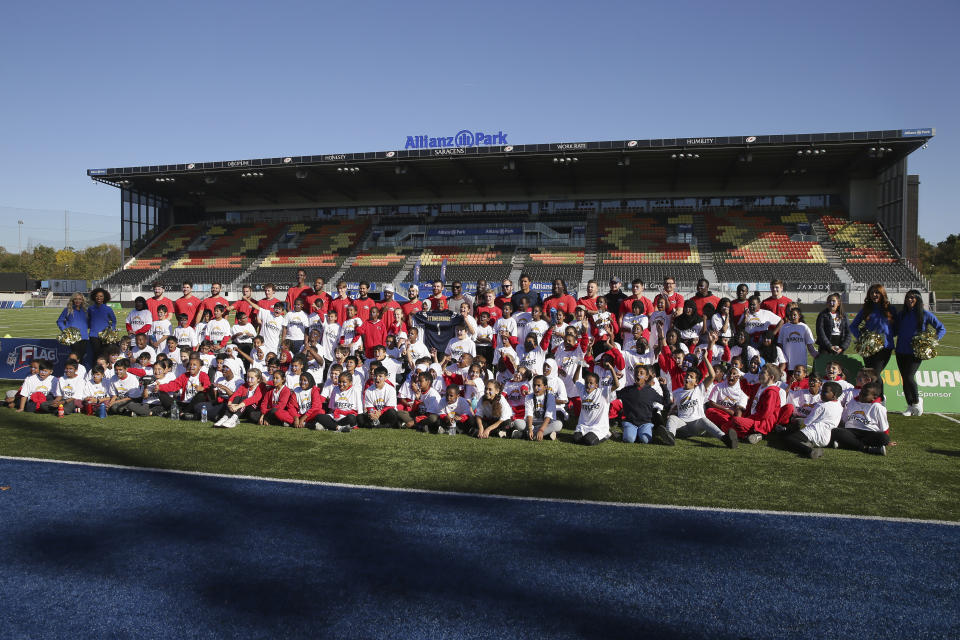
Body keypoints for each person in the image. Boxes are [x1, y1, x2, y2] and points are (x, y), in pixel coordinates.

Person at [895, 289, 946, 417]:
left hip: (916, 352)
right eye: (908, 298)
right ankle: (910, 405)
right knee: (904, 379)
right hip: (900, 350)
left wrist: (932, 341)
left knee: (909, 376)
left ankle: (917, 401)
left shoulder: (925, 314)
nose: (910, 300)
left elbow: (941, 328)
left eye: (913, 297)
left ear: (918, 299)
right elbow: (895, 330)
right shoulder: (902, 314)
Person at [850, 284, 897, 390]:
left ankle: (880, 399)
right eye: (872, 293)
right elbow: (853, 326)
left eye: (877, 292)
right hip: (868, 348)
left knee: (875, 373)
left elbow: (896, 327)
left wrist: (888, 335)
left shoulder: (890, 309)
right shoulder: (866, 309)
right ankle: (870, 397)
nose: (874, 295)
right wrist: (862, 338)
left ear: (882, 294)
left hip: (885, 347)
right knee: (869, 374)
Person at [781, 380, 843, 459]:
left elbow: (807, 423)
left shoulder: (821, 406)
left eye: (825, 392)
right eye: (822, 390)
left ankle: (809, 451)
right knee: (794, 434)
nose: (821, 393)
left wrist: (795, 424)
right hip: (826, 437)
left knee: (788, 439)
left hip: (814, 432)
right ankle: (807, 444)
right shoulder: (839, 405)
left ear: (834, 395)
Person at [833, 381, 890, 455]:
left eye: (865, 394)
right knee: (835, 432)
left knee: (884, 438)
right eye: (860, 392)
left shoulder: (878, 407)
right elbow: (845, 419)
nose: (861, 395)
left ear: (874, 397)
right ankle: (867, 449)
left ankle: (845, 445)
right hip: (851, 431)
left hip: (869, 433)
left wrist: (886, 441)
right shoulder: (852, 402)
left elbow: (884, 428)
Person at [619, 364, 670, 444]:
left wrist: (664, 387)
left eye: (641, 373)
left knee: (645, 440)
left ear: (646, 377)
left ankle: (646, 433)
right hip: (631, 422)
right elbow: (612, 395)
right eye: (636, 373)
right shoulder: (627, 390)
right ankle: (627, 432)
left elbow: (666, 402)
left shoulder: (651, 392)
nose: (638, 374)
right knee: (629, 439)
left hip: (645, 423)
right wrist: (616, 380)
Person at [778, 307, 818, 372]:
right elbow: (780, 343)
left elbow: (809, 344)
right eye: (791, 315)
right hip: (788, 360)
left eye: (795, 315)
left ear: (799, 316)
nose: (793, 317)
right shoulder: (784, 327)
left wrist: (815, 354)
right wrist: (782, 357)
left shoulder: (804, 327)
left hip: (801, 359)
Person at [57, 292, 90, 362]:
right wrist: (65, 330)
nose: (77, 301)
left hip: (84, 336)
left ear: (82, 300)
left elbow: (89, 322)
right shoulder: (67, 309)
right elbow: (60, 321)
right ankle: (74, 370)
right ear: (72, 300)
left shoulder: (86, 310)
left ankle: (79, 371)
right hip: (73, 337)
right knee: (75, 356)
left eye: (80, 299)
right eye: (75, 299)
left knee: (82, 355)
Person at [87, 287, 116, 361]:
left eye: (101, 296)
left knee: (105, 354)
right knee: (96, 355)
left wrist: (111, 330)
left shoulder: (108, 309)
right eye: (97, 296)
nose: (98, 298)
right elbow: (88, 320)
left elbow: (114, 321)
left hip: (105, 336)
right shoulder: (90, 309)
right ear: (94, 297)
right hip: (94, 335)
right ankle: (95, 371)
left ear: (104, 297)